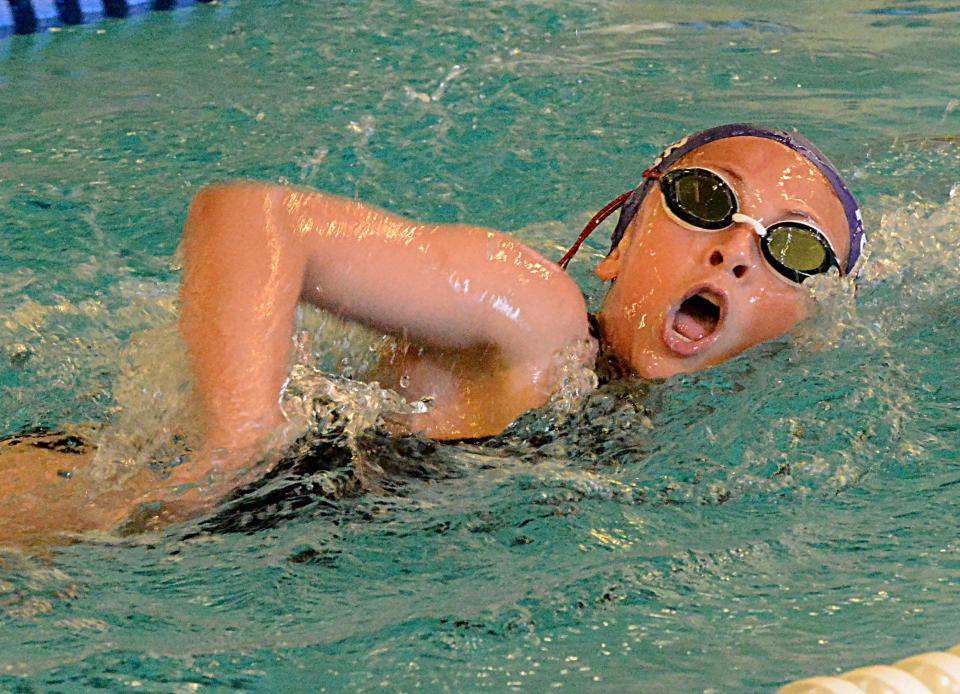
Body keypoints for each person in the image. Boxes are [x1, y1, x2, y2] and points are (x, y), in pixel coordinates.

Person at [0, 123, 864, 544]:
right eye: (707, 199)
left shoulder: (711, 440)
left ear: (803, 324)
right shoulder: (538, 316)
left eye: (793, 246)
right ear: (620, 243)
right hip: (95, 502)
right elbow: (251, 220)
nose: (733, 251)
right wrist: (230, 455)